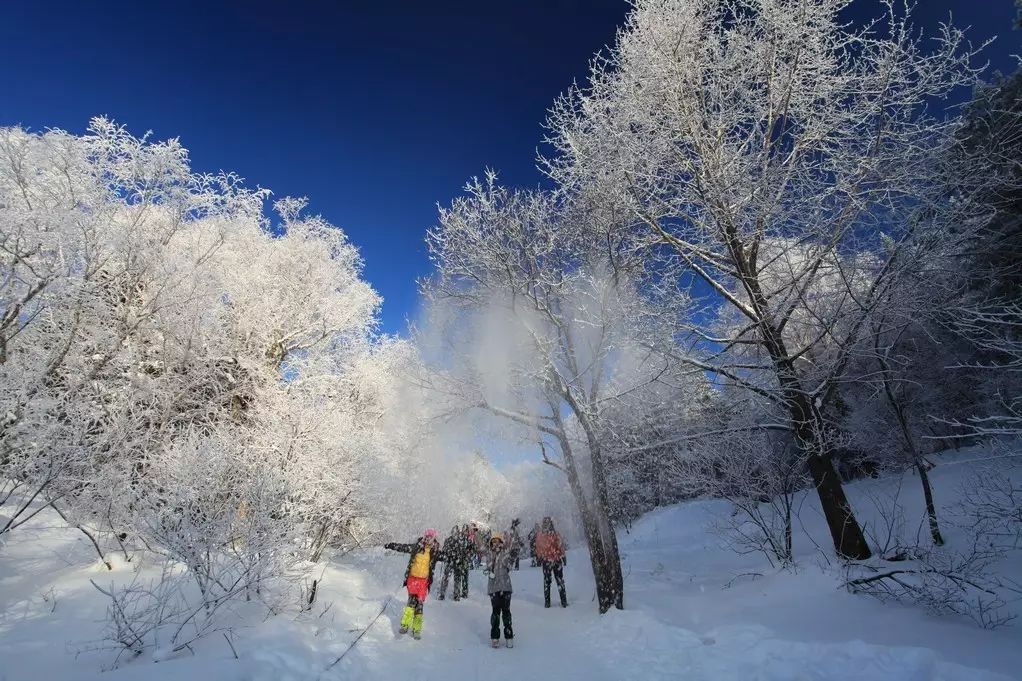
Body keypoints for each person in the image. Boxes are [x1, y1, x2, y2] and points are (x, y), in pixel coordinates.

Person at [384, 528, 445, 639]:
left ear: (433, 539)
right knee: (411, 603)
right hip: (413, 580)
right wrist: (391, 545)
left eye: (430, 537)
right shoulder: (417, 547)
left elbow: (447, 557)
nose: (428, 539)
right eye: (427, 536)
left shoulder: (434, 551)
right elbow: (403, 547)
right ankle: (405, 625)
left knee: (419, 605)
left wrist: (455, 555)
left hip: (423, 582)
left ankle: (416, 629)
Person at [485, 532, 515, 648]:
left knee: (506, 612)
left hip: (506, 587)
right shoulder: (489, 554)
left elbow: (509, 565)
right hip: (494, 588)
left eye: (497, 541)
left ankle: (509, 636)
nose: (495, 543)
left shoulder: (505, 553)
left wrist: (503, 554)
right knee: (495, 613)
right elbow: (488, 565)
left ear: (501, 542)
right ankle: (495, 637)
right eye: (493, 541)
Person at [534, 516, 568, 608]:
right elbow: (560, 546)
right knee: (557, 580)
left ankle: (549, 602)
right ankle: (562, 601)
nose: (546, 524)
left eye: (547, 523)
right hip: (553, 560)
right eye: (545, 523)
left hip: (550, 560)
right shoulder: (553, 534)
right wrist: (562, 556)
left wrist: (540, 557)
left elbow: (539, 547)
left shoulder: (545, 535)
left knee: (549, 581)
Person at [438, 525, 471, 601]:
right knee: (447, 578)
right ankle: (443, 594)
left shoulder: (459, 540)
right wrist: (447, 555)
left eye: (456, 532)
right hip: (451, 561)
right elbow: (444, 550)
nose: (455, 533)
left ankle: (456, 595)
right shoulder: (449, 540)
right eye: (454, 532)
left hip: (456, 562)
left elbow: (462, 551)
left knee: (456, 578)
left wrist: (460, 558)